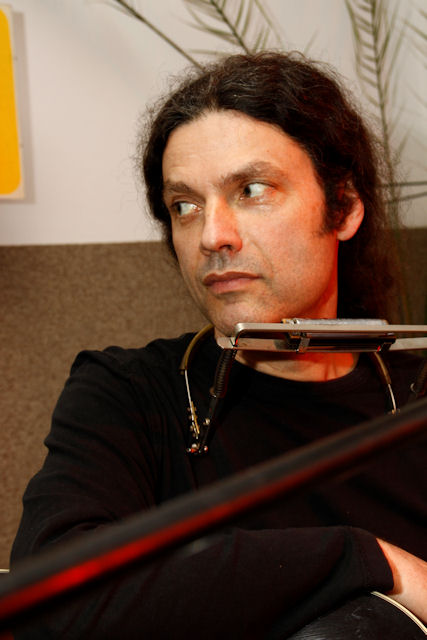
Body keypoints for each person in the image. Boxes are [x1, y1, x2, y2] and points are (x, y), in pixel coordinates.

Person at [10, 52, 427, 638]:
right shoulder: (132, 393)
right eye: (185, 206)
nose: (212, 235)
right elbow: (49, 596)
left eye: (252, 190)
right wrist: (365, 560)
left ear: (344, 208)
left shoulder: (416, 397)